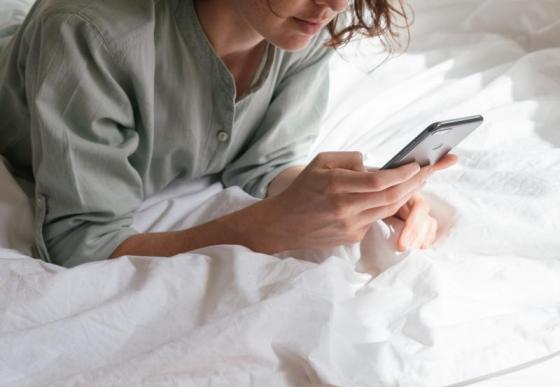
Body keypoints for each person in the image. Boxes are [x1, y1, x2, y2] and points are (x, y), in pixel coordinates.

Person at [0, 0, 457, 268]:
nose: (335, 4)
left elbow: (264, 162)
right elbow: (81, 244)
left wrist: (364, 193)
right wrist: (261, 228)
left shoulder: (303, 23)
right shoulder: (90, 34)